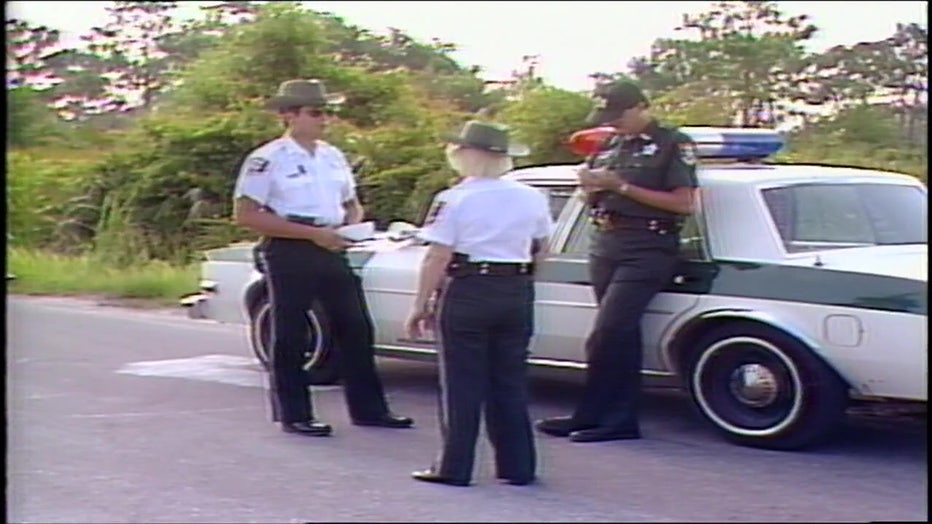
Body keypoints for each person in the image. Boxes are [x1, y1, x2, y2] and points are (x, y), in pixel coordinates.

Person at [232, 79, 413, 436]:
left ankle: (369, 409)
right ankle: (294, 413)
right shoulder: (267, 159)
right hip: (291, 245)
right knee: (290, 331)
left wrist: (350, 225)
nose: (324, 119)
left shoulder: (332, 156)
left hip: (332, 242)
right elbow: (247, 214)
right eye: (316, 112)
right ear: (289, 115)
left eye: (327, 112)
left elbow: (350, 202)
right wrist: (313, 234)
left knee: (356, 326)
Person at [535, 81, 699, 443]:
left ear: (642, 106)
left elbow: (685, 203)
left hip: (648, 244)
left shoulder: (673, 142)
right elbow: (589, 192)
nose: (613, 124)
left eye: (619, 115)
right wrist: (591, 186)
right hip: (606, 240)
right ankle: (592, 414)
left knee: (607, 332)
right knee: (620, 336)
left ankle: (620, 418)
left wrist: (621, 186)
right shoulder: (611, 143)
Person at [404, 121, 553, 487]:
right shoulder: (532, 196)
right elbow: (543, 248)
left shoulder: (454, 198)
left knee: (462, 381)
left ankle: (454, 466)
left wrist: (420, 304)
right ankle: (517, 465)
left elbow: (437, 256)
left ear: (466, 155)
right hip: (515, 287)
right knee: (510, 380)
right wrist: (522, 281)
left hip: (469, 287)